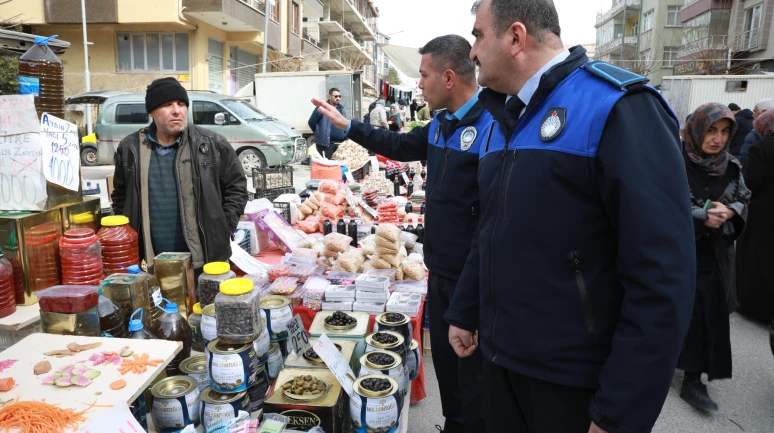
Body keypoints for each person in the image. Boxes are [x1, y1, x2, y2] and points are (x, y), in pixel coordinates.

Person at [445, 1, 696, 432]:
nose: (471, 52)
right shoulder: (500, 117)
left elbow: (662, 277)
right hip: (500, 361)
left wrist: (620, 412)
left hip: (572, 383)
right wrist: (466, 308)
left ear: (516, 37)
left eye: (478, 35)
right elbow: (490, 228)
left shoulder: (618, 106)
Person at [312, 34, 490, 433]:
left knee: (475, 376)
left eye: (424, 75)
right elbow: (396, 143)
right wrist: (349, 126)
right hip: (439, 273)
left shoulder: (493, 125)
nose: (419, 84)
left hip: (474, 278)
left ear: (448, 77)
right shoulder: (440, 124)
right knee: (447, 366)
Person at [112, 77, 248, 268]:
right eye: (167, 104)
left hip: (205, 258)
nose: (177, 110)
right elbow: (120, 196)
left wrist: (223, 228)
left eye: (181, 104)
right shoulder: (130, 148)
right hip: (151, 260)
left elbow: (237, 188)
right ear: (151, 111)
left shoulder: (212, 144)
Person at [678, 103, 749, 413]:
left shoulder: (731, 166)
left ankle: (694, 379)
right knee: (674, 310)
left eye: (724, 132)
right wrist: (699, 215)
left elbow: (744, 197)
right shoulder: (673, 161)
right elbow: (658, 202)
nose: (718, 139)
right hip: (678, 252)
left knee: (708, 313)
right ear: (696, 129)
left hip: (715, 254)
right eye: (711, 130)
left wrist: (730, 210)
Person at [736, 109, 774, 323]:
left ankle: (756, 307)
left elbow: (752, 181)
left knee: (757, 259)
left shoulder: (762, 148)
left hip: (762, 213)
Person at [308, 87, 347, 158]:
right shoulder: (322, 108)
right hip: (326, 145)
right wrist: (319, 132)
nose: (338, 98)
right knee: (328, 167)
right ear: (329, 96)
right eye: (335, 96)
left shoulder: (341, 109)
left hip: (339, 144)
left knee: (338, 167)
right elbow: (311, 122)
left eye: (339, 96)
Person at [739, 98, 774, 166]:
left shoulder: (755, 133)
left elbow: (745, 158)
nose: (753, 115)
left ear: (764, 112)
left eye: (755, 111)